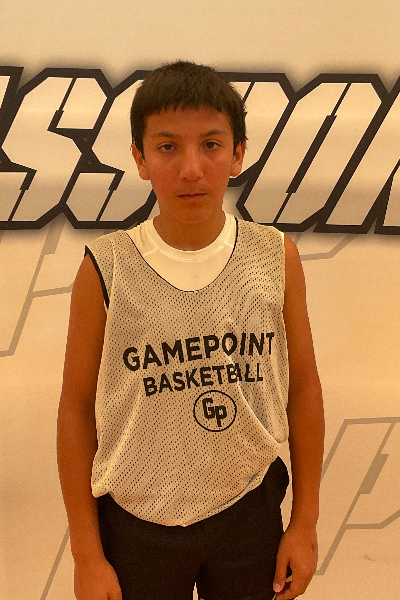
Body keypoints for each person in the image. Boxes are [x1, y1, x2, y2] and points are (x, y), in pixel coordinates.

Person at [57, 60, 324, 600]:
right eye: (167, 147)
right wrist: (87, 553)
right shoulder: (106, 266)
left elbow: (303, 389)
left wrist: (304, 523)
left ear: (239, 153)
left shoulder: (275, 256)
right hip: (136, 518)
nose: (191, 169)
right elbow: (76, 410)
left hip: (248, 508)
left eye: (211, 144)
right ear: (139, 158)